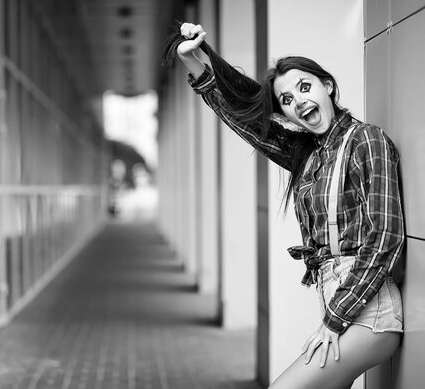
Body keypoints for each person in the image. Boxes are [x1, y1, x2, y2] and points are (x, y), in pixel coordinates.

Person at [167, 23, 405, 388]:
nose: (299, 101)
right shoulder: (307, 155)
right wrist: (196, 63)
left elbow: (385, 237)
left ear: (327, 86)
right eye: (288, 100)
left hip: (370, 316)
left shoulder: (365, 139)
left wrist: (333, 320)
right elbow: (244, 122)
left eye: (305, 87)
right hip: (340, 307)